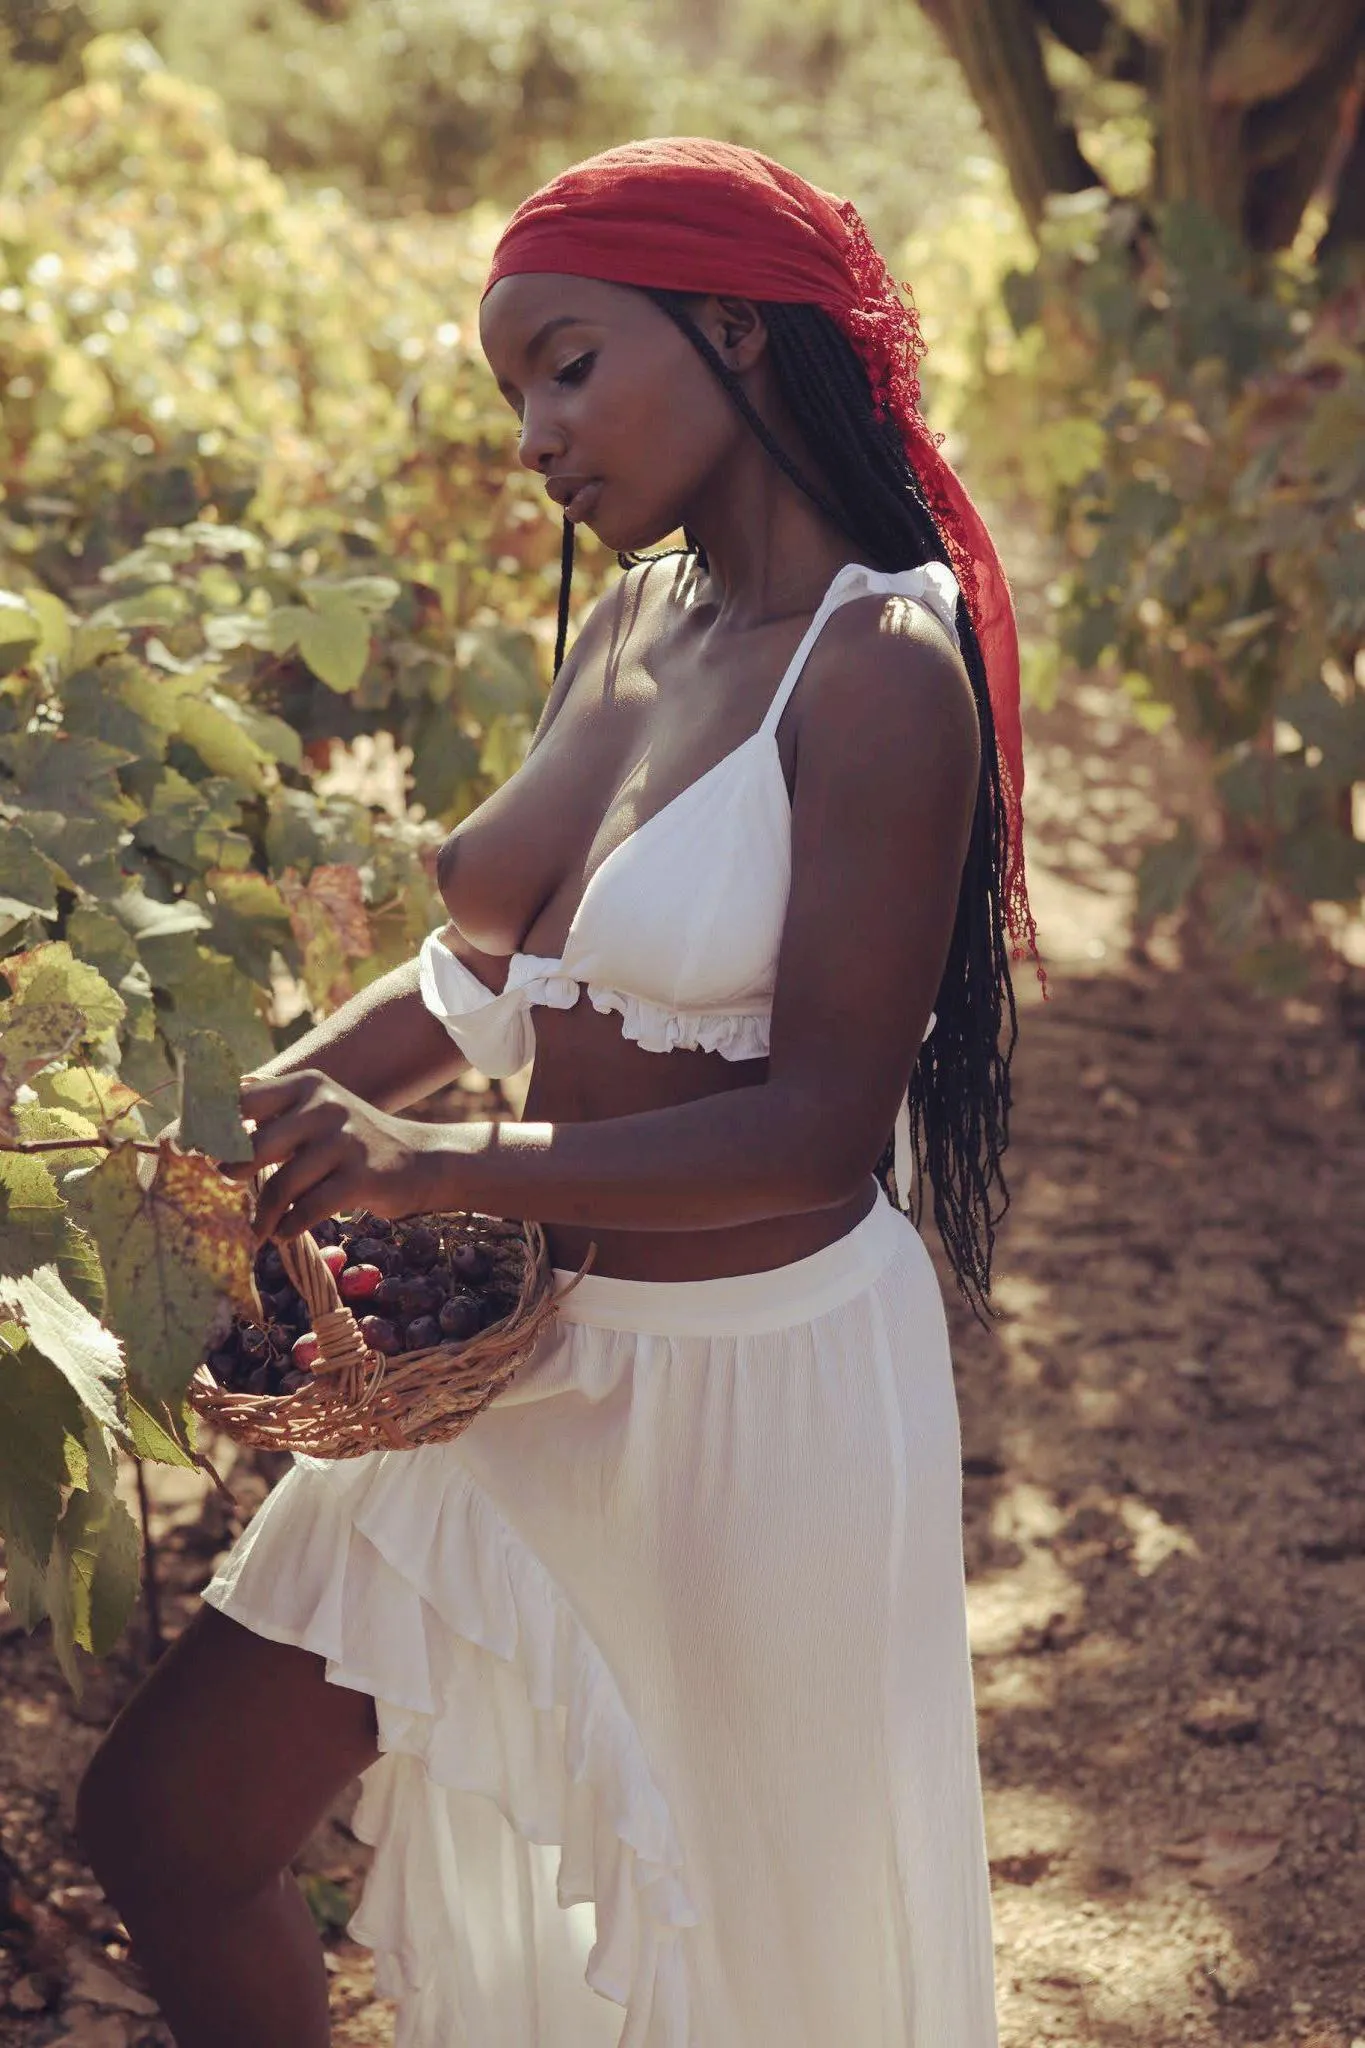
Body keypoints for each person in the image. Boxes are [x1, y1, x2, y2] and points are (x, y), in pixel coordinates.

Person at [76, 138, 1039, 2048]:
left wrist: (433, 1165)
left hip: (750, 1406)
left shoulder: (881, 668)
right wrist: (218, 1136)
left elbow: (821, 1126)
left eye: (570, 362)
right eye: (513, 387)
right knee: (169, 1829)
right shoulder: (631, 626)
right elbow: (489, 975)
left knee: (757, 1973)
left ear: (745, 334)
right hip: (526, 1359)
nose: (534, 430)